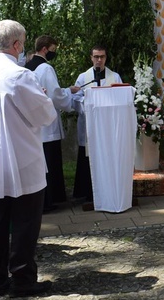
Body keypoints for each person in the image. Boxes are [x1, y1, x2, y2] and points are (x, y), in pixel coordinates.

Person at [0, 20, 58, 298]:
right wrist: (43, 98)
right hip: (21, 158)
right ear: (17, 45)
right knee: (25, 221)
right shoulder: (20, 75)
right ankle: (22, 278)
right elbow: (45, 116)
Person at [25, 35, 81, 212]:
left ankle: (42, 200)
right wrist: (69, 93)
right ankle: (51, 199)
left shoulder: (26, 67)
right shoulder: (45, 68)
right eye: (53, 50)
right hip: (47, 124)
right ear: (44, 49)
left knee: (41, 164)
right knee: (50, 162)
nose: (53, 54)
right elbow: (55, 95)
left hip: (33, 123)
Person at [72, 45, 123, 204]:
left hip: (108, 126)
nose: (99, 60)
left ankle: (109, 189)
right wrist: (87, 104)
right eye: (96, 57)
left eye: (102, 56)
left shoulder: (115, 77)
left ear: (106, 58)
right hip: (90, 125)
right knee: (88, 156)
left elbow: (120, 97)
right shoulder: (83, 77)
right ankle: (88, 193)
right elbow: (75, 98)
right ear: (91, 58)